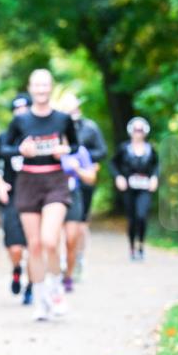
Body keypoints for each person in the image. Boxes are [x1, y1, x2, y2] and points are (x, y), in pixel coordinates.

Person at [0, 69, 79, 321]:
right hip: (28, 181)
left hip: (55, 180)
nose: (41, 89)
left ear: (51, 87)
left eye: (46, 85)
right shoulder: (21, 120)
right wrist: (20, 150)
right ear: (30, 88)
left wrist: (64, 149)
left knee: (50, 240)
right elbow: (4, 148)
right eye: (37, 85)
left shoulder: (63, 119)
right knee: (33, 245)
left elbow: (75, 145)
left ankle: (56, 289)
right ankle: (40, 298)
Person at [0, 93, 33, 305]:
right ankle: (17, 269)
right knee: (15, 246)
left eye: (25, 109)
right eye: (17, 110)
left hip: (36, 195)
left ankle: (32, 286)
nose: (21, 113)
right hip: (13, 196)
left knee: (35, 245)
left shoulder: (40, 136)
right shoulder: (4, 137)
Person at [55, 94, 98, 292]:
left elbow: (91, 177)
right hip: (52, 196)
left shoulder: (79, 150)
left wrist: (77, 170)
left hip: (74, 196)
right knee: (53, 240)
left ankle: (69, 275)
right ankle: (54, 274)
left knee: (72, 239)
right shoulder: (50, 148)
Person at [109, 116, 160, 261]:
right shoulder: (124, 148)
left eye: (141, 130)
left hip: (144, 188)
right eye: (136, 130)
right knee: (132, 219)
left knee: (142, 216)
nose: (138, 133)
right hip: (129, 188)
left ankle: (141, 246)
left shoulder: (150, 149)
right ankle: (132, 247)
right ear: (131, 131)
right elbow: (113, 164)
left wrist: (154, 178)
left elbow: (157, 166)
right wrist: (119, 177)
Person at [68, 97, 107, 279]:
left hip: (84, 181)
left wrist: (83, 159)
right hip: (64, 182)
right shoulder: (58, 127)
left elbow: (102, 151)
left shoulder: (90, 128)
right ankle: (64, 260)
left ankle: (79, 257)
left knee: (81, 223)